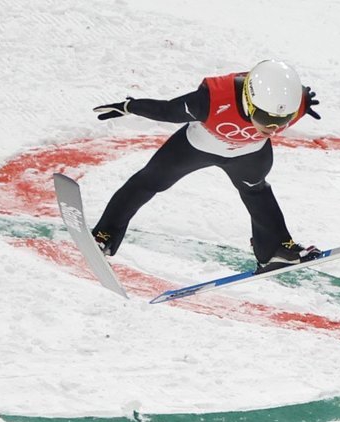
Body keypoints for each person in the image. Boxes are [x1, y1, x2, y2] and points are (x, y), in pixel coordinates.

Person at [90, 59, 323, 274]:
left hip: (249, 156)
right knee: (148, 182)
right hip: (195, 148)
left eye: (282, 121)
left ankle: (275, 251)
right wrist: (130, 106)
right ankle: (105, 235)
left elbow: (287, 108)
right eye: (264, 119)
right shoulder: (212, 100)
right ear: (250, 101)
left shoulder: (293, 102)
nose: (272, 128)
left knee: (257, 192)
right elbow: (168, 111)